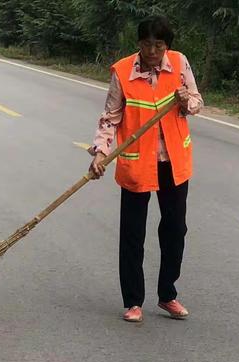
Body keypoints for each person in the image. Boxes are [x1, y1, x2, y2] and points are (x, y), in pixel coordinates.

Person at [88, 15, 203, 323]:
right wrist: (100, 152)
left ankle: (168, 295)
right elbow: (110, 117)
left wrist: (185, 100)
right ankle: (133, 301)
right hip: (138, 161)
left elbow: (196, 102)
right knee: (132, 233)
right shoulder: (123, 71)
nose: (153, 51)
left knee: (175, 229)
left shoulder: (179, 64)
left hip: (173, 162)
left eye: (159, 45)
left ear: (168, 46)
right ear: (138, 44)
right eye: (147, 44)